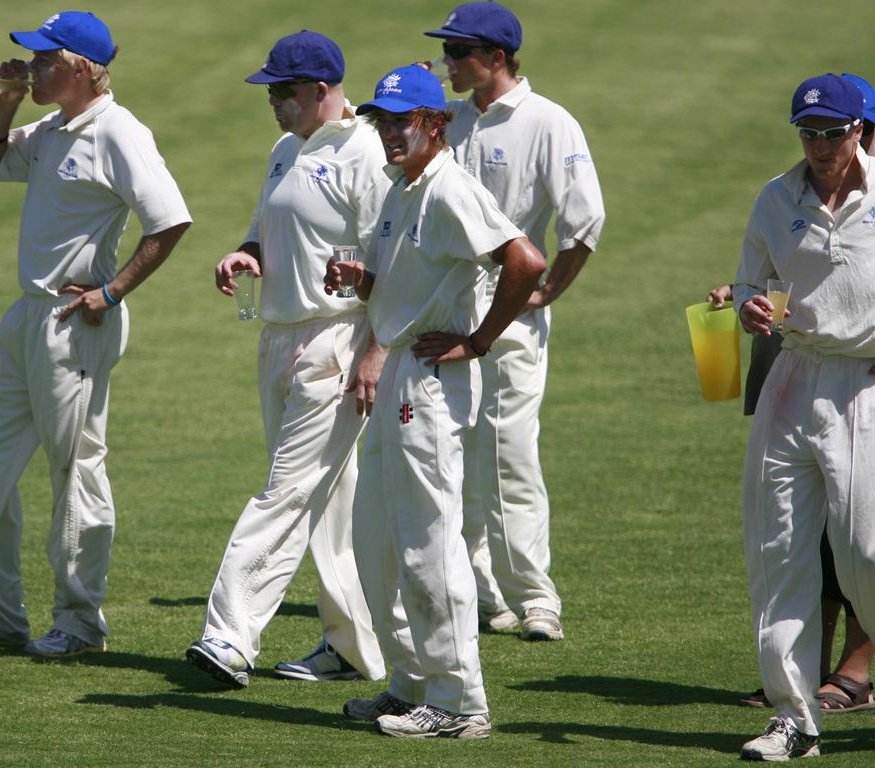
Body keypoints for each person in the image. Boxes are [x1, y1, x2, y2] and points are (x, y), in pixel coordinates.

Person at [0, 11, 192, 657]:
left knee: (75, 473)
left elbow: (169, 220)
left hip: (75, 325)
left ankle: (79, 624)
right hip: (25, 318)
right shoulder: (54, 128)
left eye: (43, 61)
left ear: (83, 68)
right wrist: (5, 103)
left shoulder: (118, 131)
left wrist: (112, 290)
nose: (32, 69)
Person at [329, 64, 546, 739]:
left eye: (405, 121)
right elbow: (404, 283)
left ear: (436, 125)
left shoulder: (450, 187)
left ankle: (460, 703)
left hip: (428, 379)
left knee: (429, 541)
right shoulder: (403, 188)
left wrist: (479, 340)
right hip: (398, 367)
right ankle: (410, 682)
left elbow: (526, 260)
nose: (392, 132)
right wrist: (364, 280)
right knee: (379, 540)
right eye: (384, 120)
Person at [184, 30, 387, 689]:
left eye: (282, 90)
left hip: (337, 341)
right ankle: (355, 647)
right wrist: (248, 254)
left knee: (285, 492)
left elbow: (396, 264)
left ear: (322, 90)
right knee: (327, 500)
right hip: (277, 337)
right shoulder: (283, 148)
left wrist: (376, 353)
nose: (271, 101)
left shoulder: (367, 153)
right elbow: (269, 225)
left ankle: (229, 637)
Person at [421, 1, 605, 641]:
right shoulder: (445, 118)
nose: (447, 62)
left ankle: (536, 597)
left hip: (508, 321)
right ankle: (477, 590)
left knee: (508, 456)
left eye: (457, 53)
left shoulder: (547, 122)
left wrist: (547, 291)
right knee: (447, 454)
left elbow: (584, 222)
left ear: (495, 57)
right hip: (442, 313)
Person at [735, 73, 875, 760]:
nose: (820, 147)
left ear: (859, 132)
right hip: (794, 377)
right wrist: (748, 307)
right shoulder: (774, 197)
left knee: (865, 554)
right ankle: (793, 717)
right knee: (779, 551)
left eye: (833, 134)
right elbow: (749, 283)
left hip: (867, 383)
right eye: (809, 133)